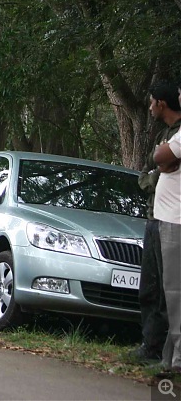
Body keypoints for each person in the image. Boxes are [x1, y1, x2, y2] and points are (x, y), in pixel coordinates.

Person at [130, 81, 181, 363]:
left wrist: (159, 168)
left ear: (161, 103)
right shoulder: (164, 134)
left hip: (171, 220)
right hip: (153, 217)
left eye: (151, 102)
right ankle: (149, 345)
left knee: (168, 289)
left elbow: (161, 168)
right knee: (148, 287)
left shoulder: (178, 133)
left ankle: (165, 352)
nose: (149, 107)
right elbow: (152, 168)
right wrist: (158, 168)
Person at [153, 82, 181, 375]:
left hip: (176, 220)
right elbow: (164, 162)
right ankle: (169, 357)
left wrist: (165, 158)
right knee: (170, 291)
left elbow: (160, 158)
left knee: (174, 292)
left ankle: (177, 361)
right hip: (169, 218)